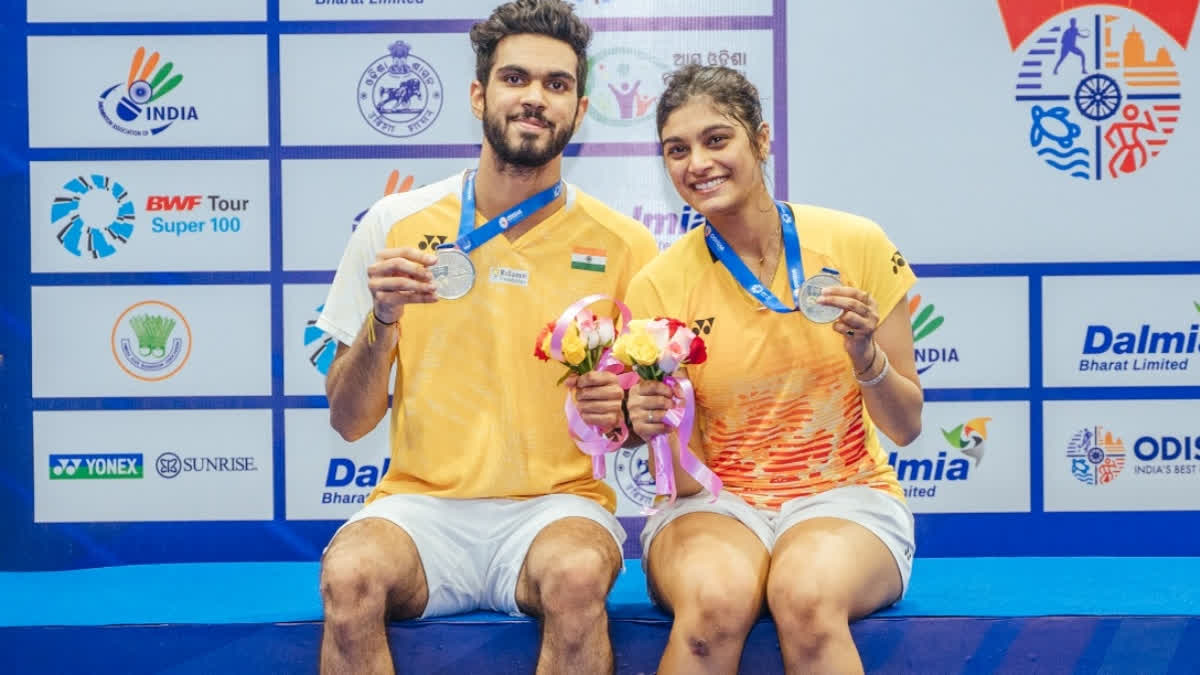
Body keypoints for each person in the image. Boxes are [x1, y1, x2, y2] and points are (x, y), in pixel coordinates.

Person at [314, 1, 658, 672]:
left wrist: (621, 415)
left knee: (579, 575)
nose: (535, 97)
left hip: (557, 508)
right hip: (420, 509)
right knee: (349, 575)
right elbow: (349, 420)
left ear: (580, 110)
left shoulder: (626, 245)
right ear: (479, 94)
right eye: (516, 78)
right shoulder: (395, 224)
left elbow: (643, 423)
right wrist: (382, 320)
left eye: (557, 84)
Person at [623, 64, 924, 674]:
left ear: (760, 140)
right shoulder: (659, 283)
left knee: (806, 597)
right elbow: (645, 437)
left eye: (716, 139)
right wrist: (638, 415)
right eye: (676, 150)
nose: (697, 163)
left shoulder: (855, 244)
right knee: (711, 604)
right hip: (713, 504)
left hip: (846, 496)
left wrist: (867, 359)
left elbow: (907, 425)